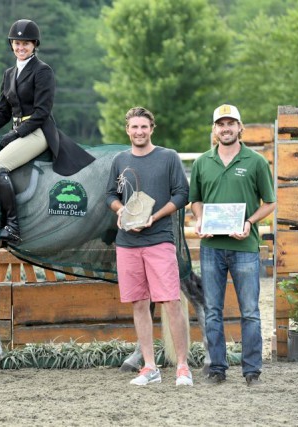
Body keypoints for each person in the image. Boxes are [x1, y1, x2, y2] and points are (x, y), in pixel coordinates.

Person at [0, 18, 94, 244]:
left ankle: (12, 226)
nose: (21, 47)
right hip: (18, 131)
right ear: (11, 44)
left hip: (38, 131)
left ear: (34, 45)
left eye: (26, 44)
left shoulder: (43, 71)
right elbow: (2, 113)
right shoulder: (9, 73)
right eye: (17, 43)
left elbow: (42, 112)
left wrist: (16, 133)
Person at [106, 107, 193, 386]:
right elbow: (110, 194)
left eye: (144, 127)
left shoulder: (168, 157)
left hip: (159, 240)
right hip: (127, 243)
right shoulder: (120, 160)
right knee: (139, 303)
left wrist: (154, 216)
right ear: (127, 130)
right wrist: (120, 211)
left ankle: (182, 366)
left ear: (152, 128)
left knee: (170, 301)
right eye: (134, 127)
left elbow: (182, 194)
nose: (139, 132)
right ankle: (149, 367)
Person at [190, 104, 276, 387]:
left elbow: (270, 202)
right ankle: (217, 368)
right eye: (220, 124)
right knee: (213, 310)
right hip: (212, 247)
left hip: (245, 249)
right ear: (214, 130)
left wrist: (249, 221)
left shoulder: (255, 161)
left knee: (249, 310)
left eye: (231, 123)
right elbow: (196, 200)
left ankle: (252, 370)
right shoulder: (203, 162)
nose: (225, 128)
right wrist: (201, 219)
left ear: (240, 127)